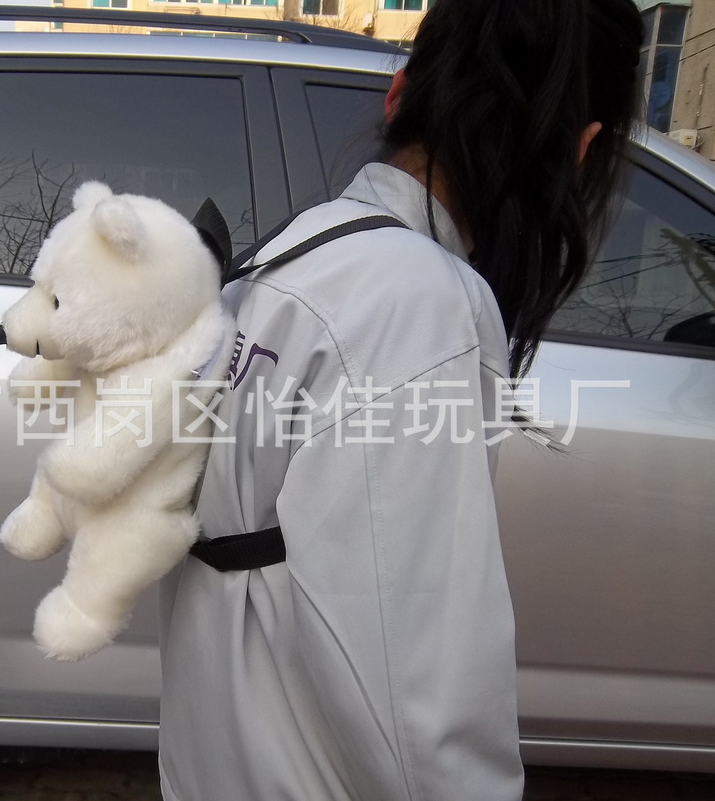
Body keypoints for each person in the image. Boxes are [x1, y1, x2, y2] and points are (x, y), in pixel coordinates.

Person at [157, 1, 645, 800]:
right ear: (581, 148)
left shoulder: (293, 253)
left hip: (216, 760)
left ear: (399, 95)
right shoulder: (421, 306)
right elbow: (417, 693)